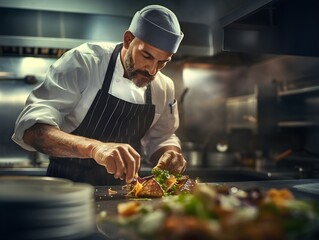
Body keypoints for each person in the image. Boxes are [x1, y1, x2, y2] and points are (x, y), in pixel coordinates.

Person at [12, 5, 187, 185]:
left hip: (126, 195)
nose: (152, 70)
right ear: (128, 40)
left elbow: (162, 137)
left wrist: (169, 153)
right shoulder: (84, 62)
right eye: (146, 56)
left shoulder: (163, 86)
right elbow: (32, 131)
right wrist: (96, 148)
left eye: (162, 62)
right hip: (66, 189)